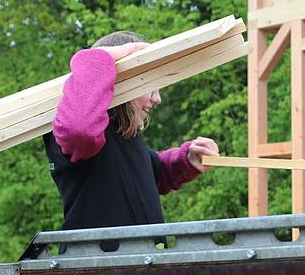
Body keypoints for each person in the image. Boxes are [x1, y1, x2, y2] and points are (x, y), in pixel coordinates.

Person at [43, 31, 220, 233]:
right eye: (150, 87)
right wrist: (99, 58)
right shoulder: (80, 130)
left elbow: (153, 174)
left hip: (135, 261)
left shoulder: (125, 138)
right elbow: (80, 130)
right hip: (98, 262)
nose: (157, 99)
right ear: (122, 84)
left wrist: (187, 159)